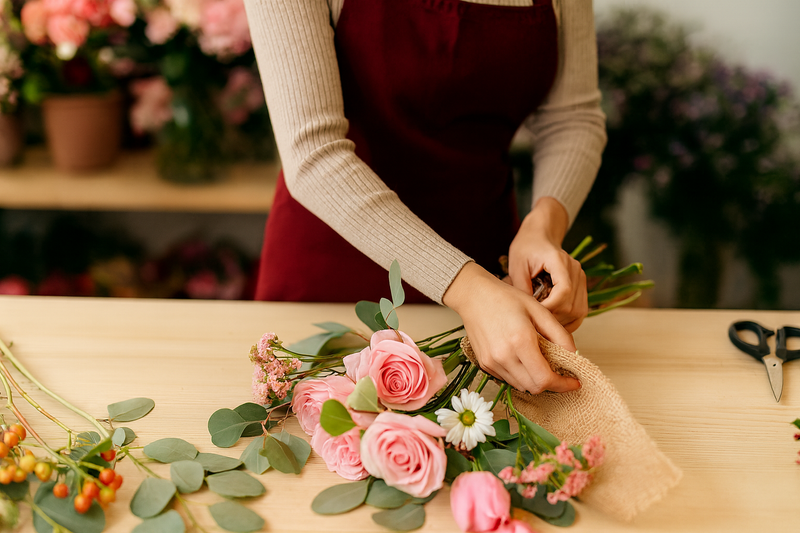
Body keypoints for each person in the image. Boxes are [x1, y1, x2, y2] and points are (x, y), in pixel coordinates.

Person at [244, 0, 607, 395]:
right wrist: (469, 288)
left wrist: (543, 226)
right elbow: (314, 153)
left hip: (494, 275)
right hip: (331, 276)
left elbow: (572, 117)